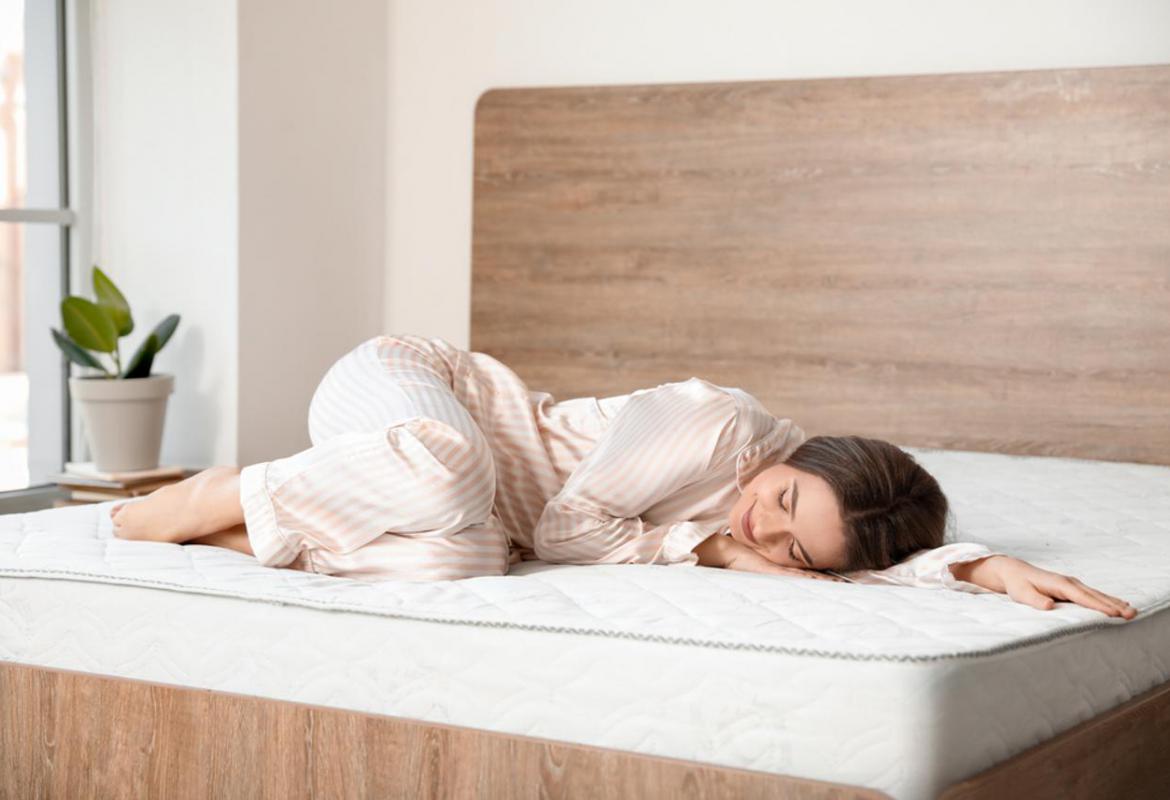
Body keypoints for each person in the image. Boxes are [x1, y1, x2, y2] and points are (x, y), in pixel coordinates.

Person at [109, 334, 1137, 620]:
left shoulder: (814, 525)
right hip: (413, 393)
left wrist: (982, 566)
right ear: (797, 455)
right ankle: (212, 490)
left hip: (463, 503)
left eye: (793, 548)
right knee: (458, 479)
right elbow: (568, 532)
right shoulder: (719, 422)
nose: (764, 530)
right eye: (783, 501)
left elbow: (857, 561)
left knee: (462, 560)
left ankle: (233, 520)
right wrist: (716, 548)